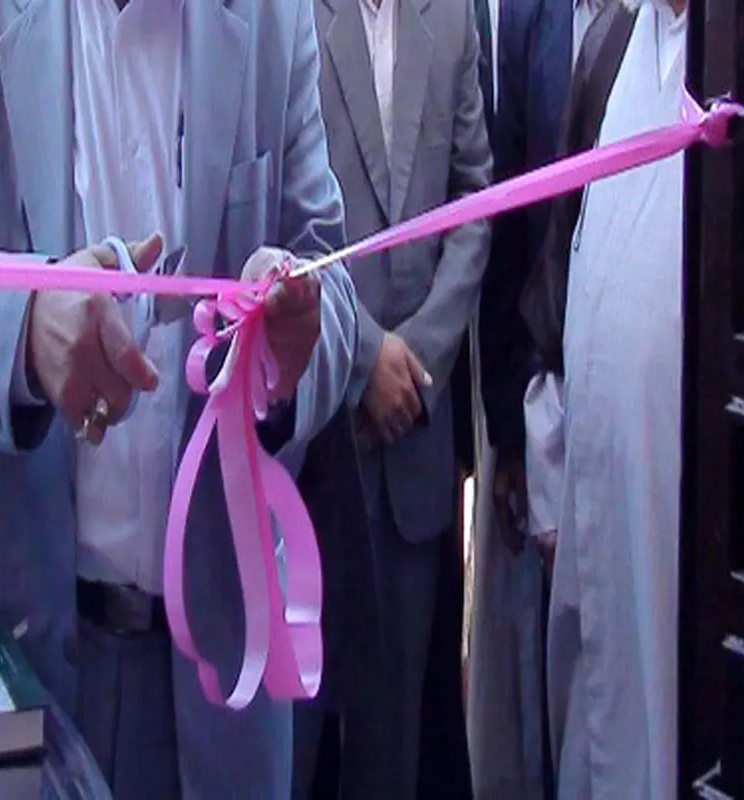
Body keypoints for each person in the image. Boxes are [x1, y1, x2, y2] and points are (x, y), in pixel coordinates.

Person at [0, 1, 358, 796]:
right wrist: (25, 329)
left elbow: (329, 272)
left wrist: (298, 342)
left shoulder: (273, 19)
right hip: (16, 656)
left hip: (219, 675)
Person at [297, 0, 492, 798]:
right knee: (291, 744)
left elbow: (475, 204)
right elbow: (275, 219)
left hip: (413, 434)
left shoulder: (453, 20)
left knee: (393, 747)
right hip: (311, 440)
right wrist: (362, 356)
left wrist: (416, 363)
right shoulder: (283, 21)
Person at [519, 0, 685, 796]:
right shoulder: (611, 47)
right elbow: (558, 275)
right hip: (594, 513)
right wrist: (553, 464)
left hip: (686, 526)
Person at [468, 1, 606, 798]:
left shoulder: (680, 38)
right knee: (549, 671)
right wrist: (514, 436)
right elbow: (508, 224)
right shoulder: (531, 20)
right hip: (543, 403)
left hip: (648, 414)